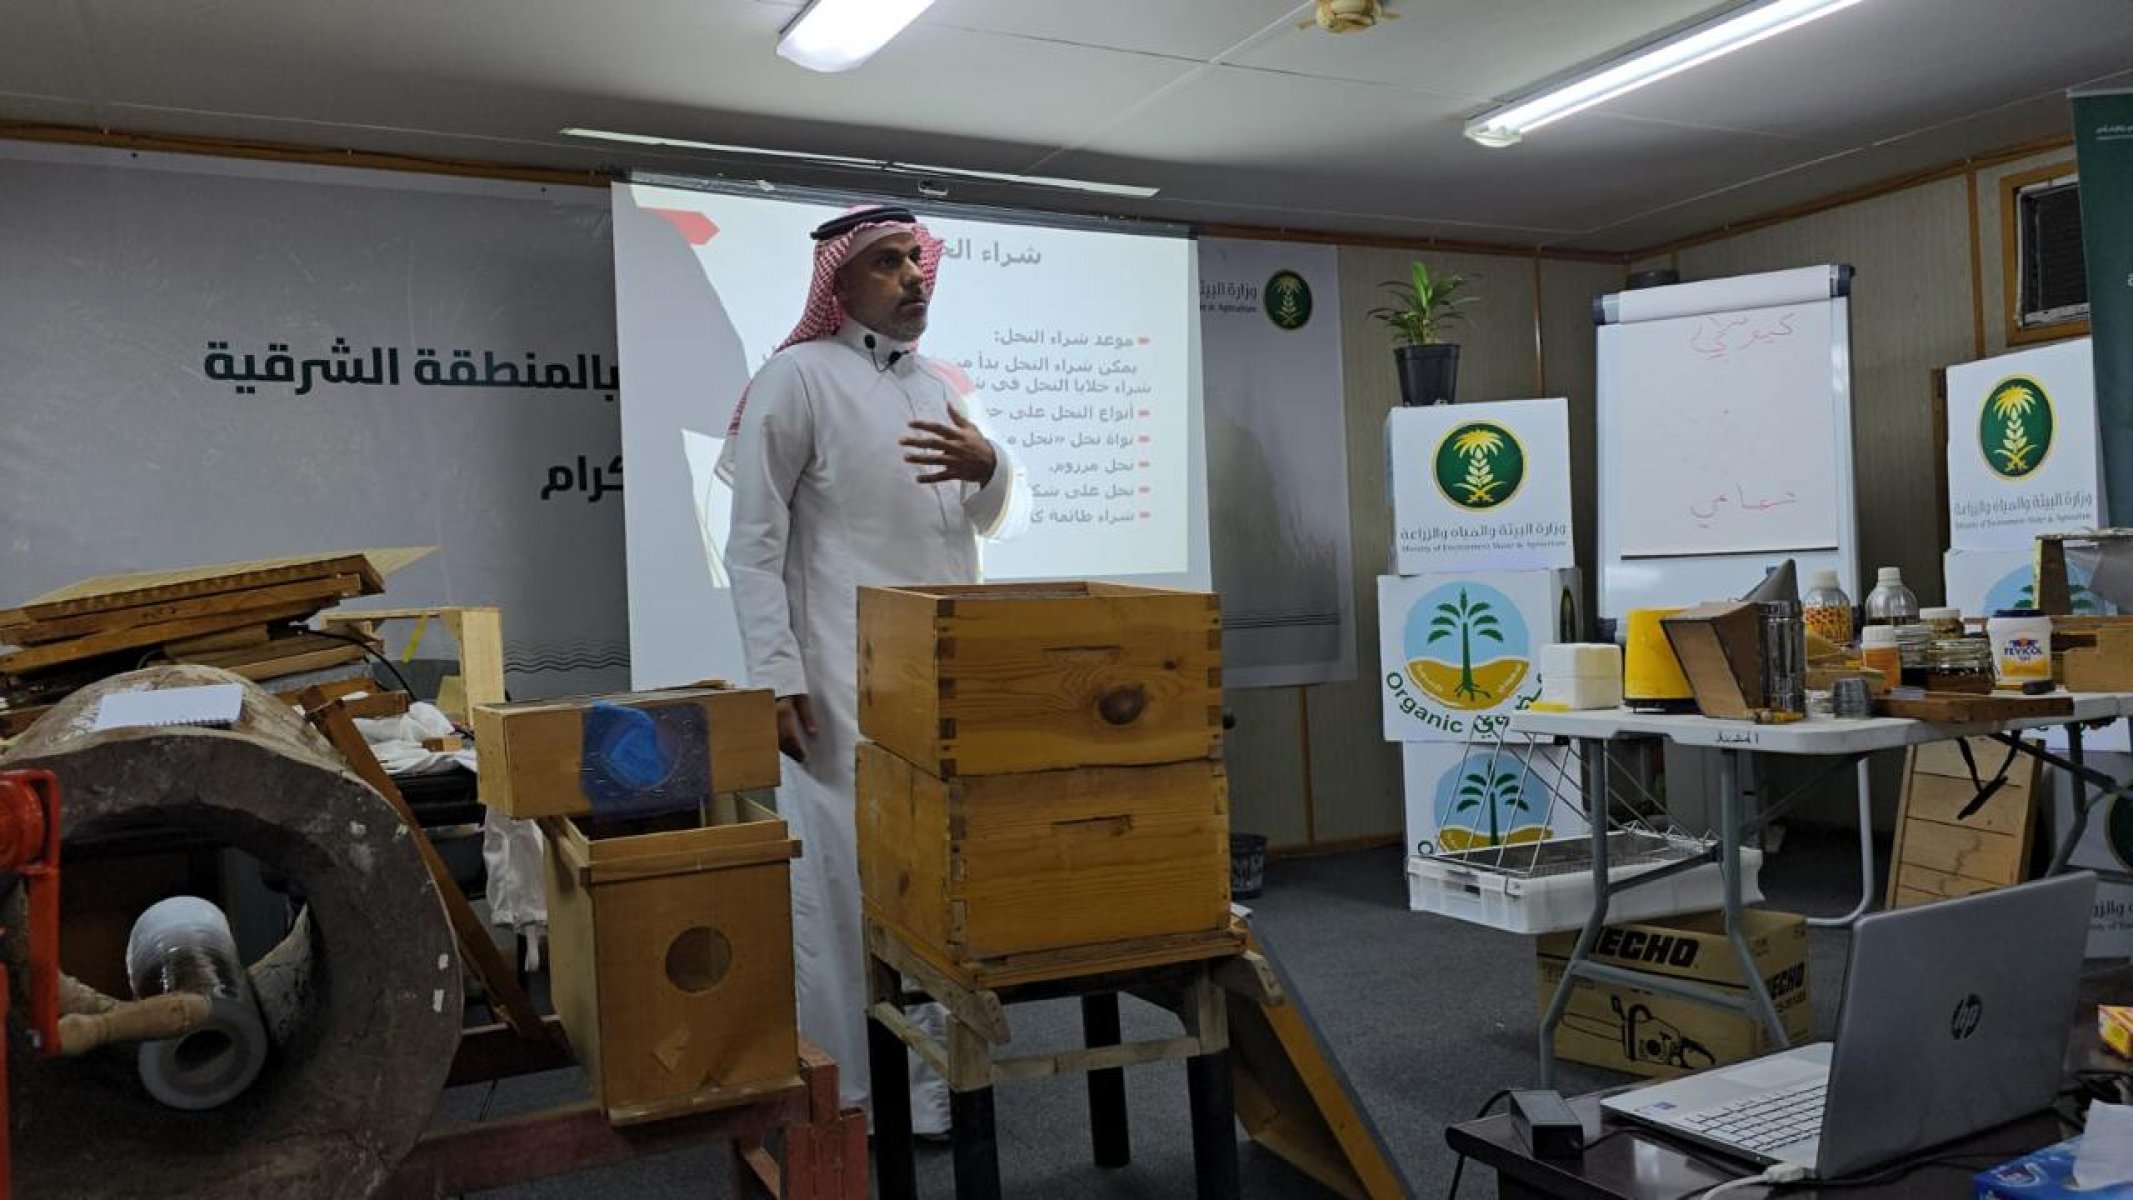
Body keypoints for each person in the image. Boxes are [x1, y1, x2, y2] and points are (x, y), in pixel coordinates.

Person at [721, 204, 1027, 1126]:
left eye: (916, 260)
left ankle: (936, 1094)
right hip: (838, 683)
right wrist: (775, 679)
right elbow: (753, 547)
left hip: (941, 680)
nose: (912, 276)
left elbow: (982, 519)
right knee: (846, 884)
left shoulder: (935, 385)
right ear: (841, 283)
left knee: (938, 882)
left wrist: (991, 465)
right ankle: (849, 1095)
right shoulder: (796, 378)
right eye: (889, 263)